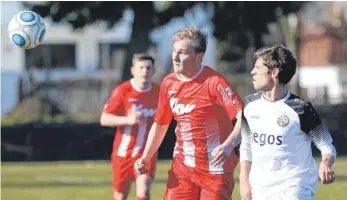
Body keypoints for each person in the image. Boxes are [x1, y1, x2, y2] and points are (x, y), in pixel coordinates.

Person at [134, 27, 243, 200]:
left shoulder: (214, 82)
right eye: (174, 51)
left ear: (199, 56)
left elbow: (243, 118)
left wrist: (229, 145)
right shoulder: (168, 83)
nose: (175, 57)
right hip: (183, 168)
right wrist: (146, 156)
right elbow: (160, 124)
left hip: (215, 169)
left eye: (183, 53)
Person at [239, 44, 337, 200]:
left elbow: (327, 146)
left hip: (296, 185)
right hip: (261, 189)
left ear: (274, 72)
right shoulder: (249, 105)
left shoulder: (301, 109)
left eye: (258, 67)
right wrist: (244, 182)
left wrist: (325, 163)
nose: (253, 72)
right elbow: (246, 145)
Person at [100, 53, 160, 200]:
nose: (145, 71)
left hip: (147, 153)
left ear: (153, 70)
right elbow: (104, 119)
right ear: (133, 70)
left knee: (144, 191)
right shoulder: (123, 90)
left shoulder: (159, 92)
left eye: (148, 68)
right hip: (123, 153)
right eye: (141, 68)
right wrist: (128, 120)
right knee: (120, 195)